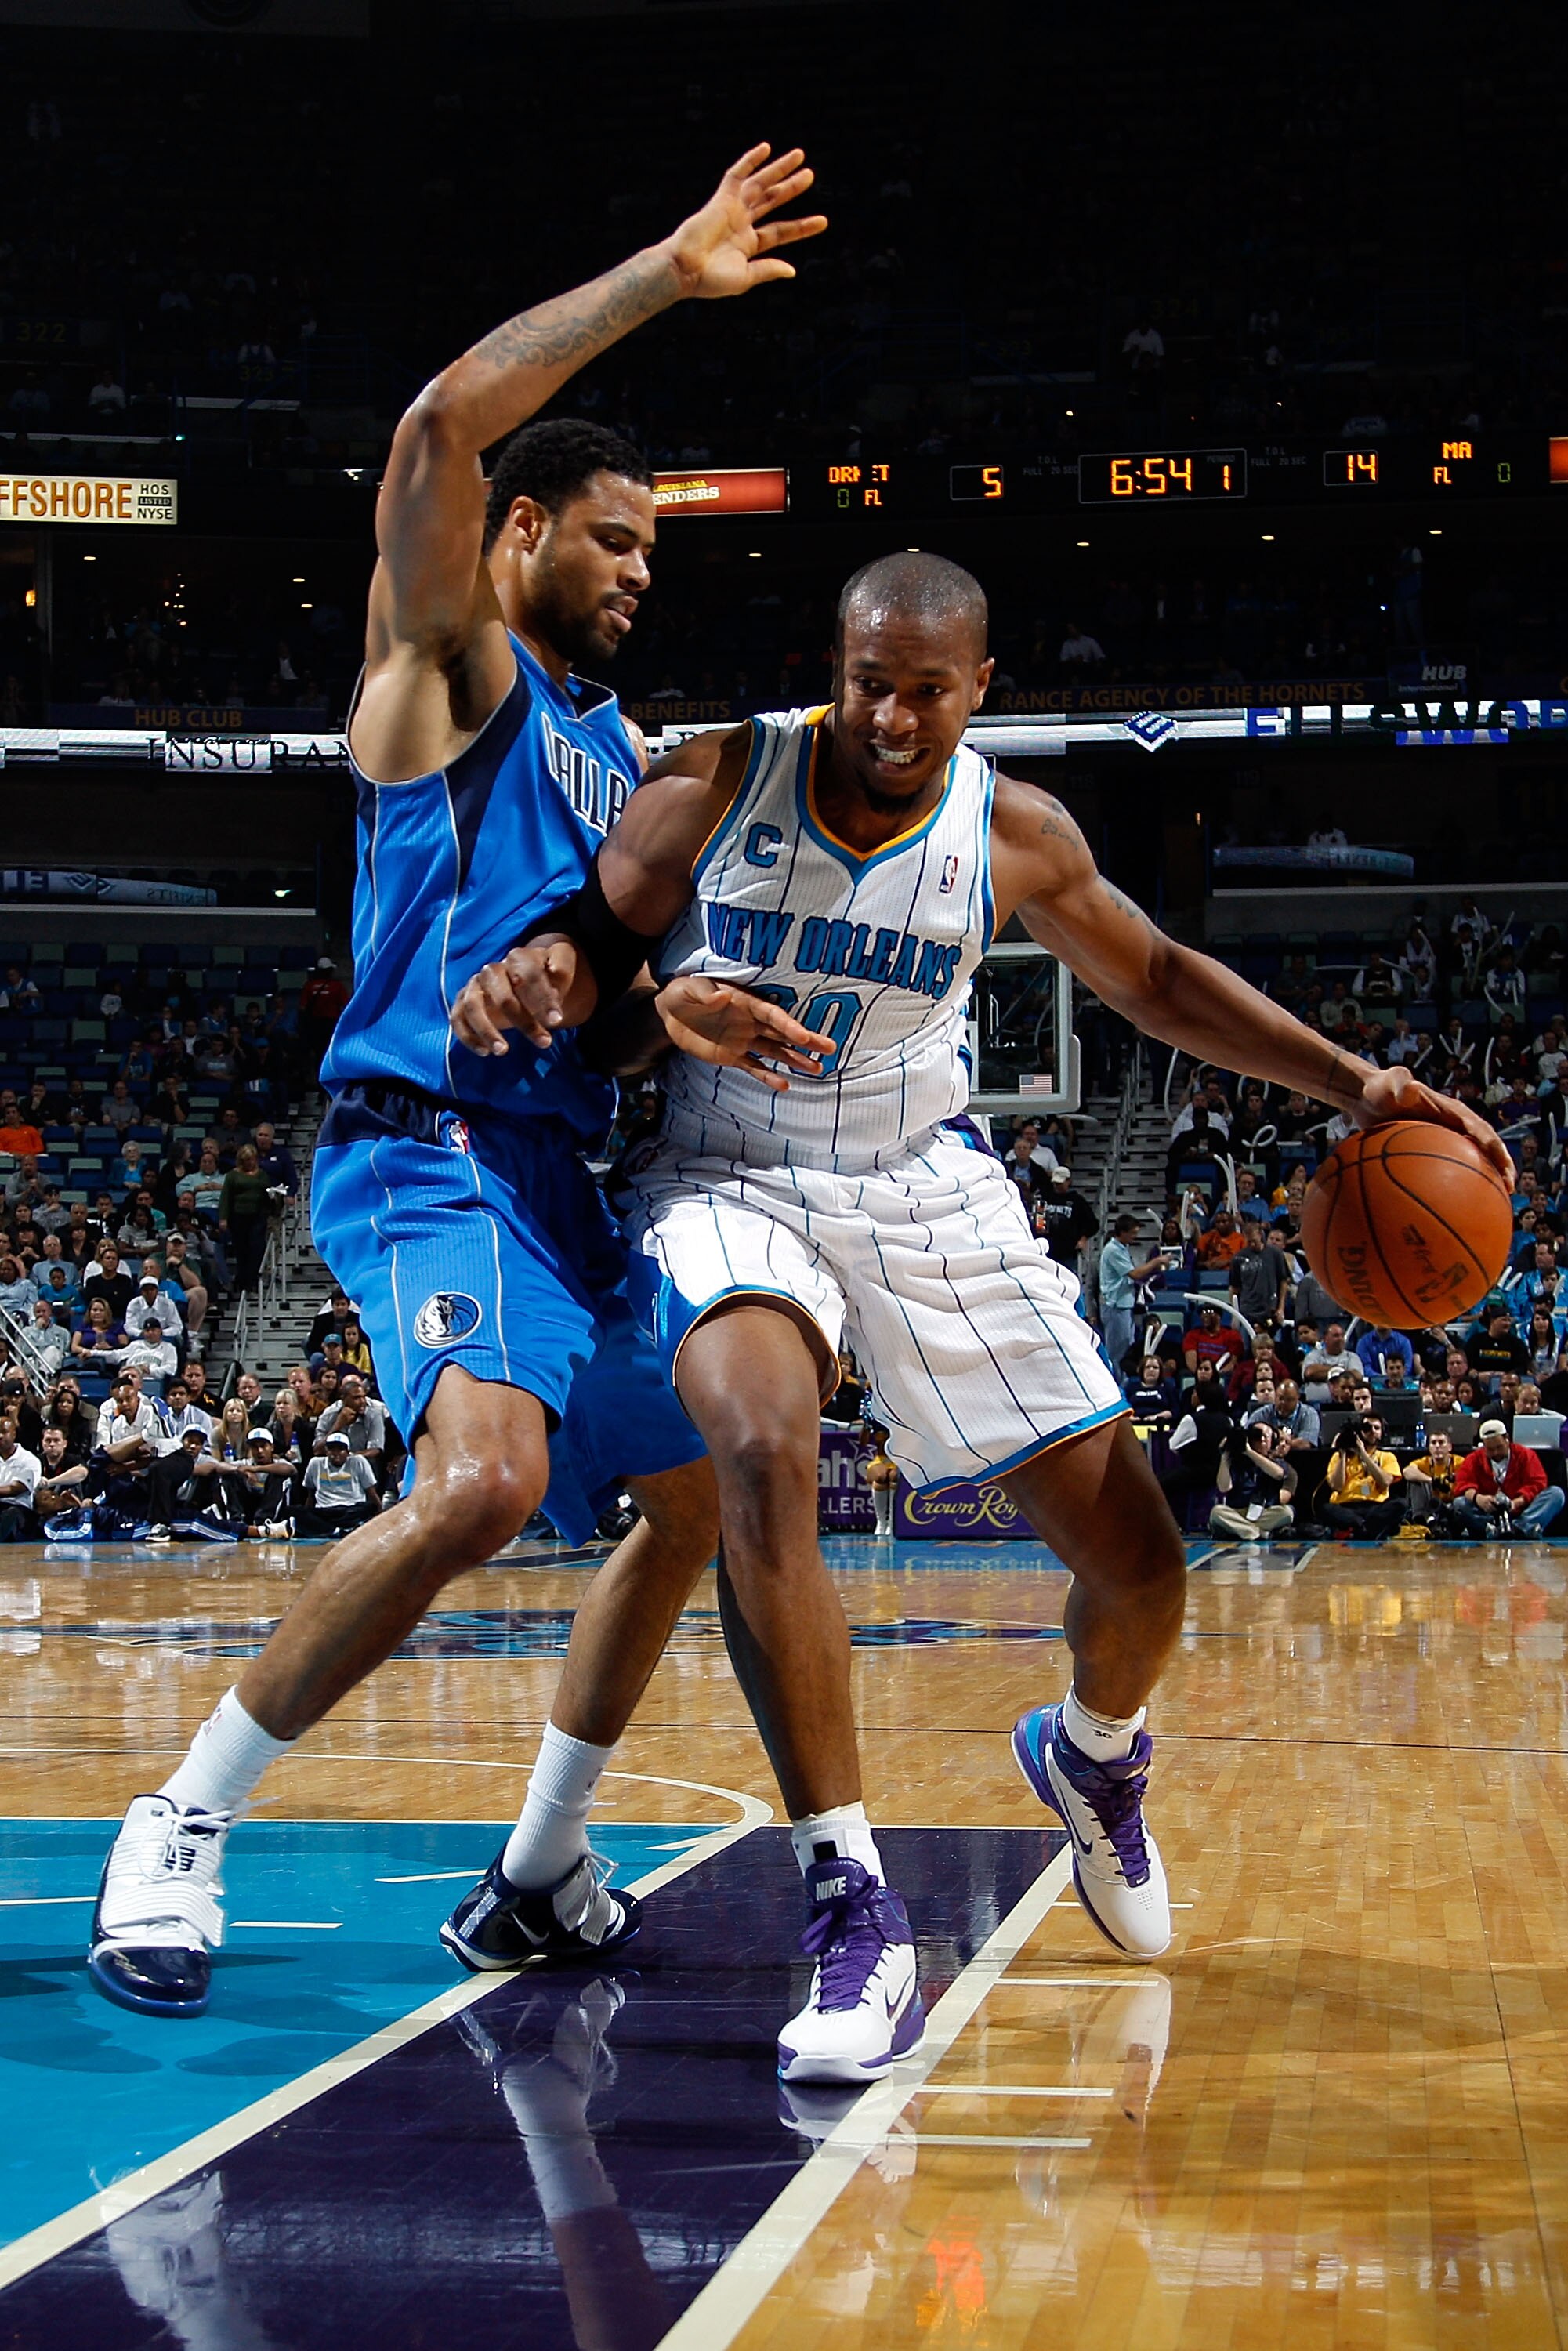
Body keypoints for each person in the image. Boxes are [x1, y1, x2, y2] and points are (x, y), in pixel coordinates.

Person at [458, 545, 1511, 2073]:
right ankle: (851, 1904)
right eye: (866, 684)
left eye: (925, 691)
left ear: (979, 690)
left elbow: (1156, 978)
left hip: (921, 1179)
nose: (891, 717)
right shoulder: (709, 789)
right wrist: (662, 1016)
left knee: (1140, 1569)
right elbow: (591, 1010)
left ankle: (1092, 1759)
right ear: (832, 670)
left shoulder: (1011, 832)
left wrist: (1358, 1086)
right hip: (726, 1172)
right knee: (759, 1447)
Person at [88, 143, 825, 2027]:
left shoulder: (621, 758)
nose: (641, 569)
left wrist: (678, 1012)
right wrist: (665, 269)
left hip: (559, 1178)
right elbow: (434, 427)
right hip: (428, 1152)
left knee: (694, 1496)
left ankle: (540, 1867)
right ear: (519, 534)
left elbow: (609, 996)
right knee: (486, 1481)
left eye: (653, 548)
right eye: (613, 537)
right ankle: (181, 1817)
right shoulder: (450, 673)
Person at [1451, 1418, 1566, 1539]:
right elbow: (1464, 1485)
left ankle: (1520, 1528)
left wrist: (1517, 1502)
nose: (1496, 1453)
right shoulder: (1473, 1459)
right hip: (1489, 1513)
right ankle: (1494, 1529)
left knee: (1556, 1494)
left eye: (1499, 1447)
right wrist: (1478, 1498)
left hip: (1521, 1509)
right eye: (1490, 1449)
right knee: (1460, 1503)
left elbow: (1537, 1483)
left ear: (1507, 1438)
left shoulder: (1525, 1455)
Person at [1210, 1421, 1296, 1544]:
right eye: (1257, 1435)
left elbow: (1278, 1474)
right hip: (1238, 1512)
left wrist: (1249, 1452)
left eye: (1266, 1436)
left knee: (1287, 1512)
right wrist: (1225, 1455)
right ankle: (1257, 1532)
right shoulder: (1237, 1461)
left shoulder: (1276, 1462)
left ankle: (1241, 1530)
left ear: (1273, 1441)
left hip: (1264, 1512)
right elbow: (1224, 1488)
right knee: (1217, 1512)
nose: (1262, 1440)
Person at [1098, 1215, 1164, 1375]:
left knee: (1128, 1349)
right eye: (1133, 1233)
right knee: (1117, 1352)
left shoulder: (1122, 1248)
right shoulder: (1113, 1250)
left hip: (1125, 1305)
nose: (1135, 1237)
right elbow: (1134, 1274)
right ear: (1122, 1232)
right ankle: (1115, 1383)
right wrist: (1156, 1262)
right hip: (1115, 1306)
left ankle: (1124, 1381)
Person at [1324, 1413, 1403, 1539]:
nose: (1372, 1431)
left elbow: (1385, 1482)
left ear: (1382, 1433)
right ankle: (1366, 1528)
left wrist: (1363, 1453)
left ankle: (1358, 1528)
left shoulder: (1387, 1457)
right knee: (1326, 1509)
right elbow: (1337, 1487)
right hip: (1346, 1506)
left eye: (1377, 1428)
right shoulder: (1338, 1457)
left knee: (1400, 1504)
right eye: (1367, 1428)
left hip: (1375, 1507)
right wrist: (1343, 1453)